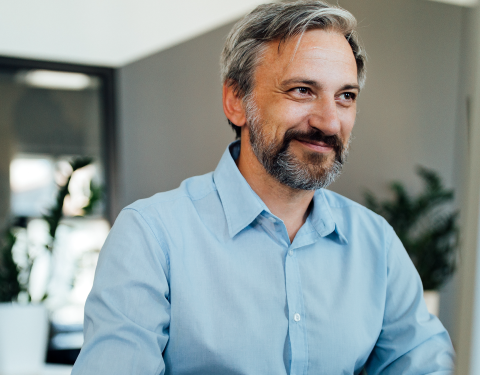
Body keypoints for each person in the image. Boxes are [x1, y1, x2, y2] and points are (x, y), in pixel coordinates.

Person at [71, 1, 455, 374]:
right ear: (236, 101)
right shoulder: (151, 236)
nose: (328, 122)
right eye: (302, 90)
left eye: (345, 97)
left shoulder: (377, 244)